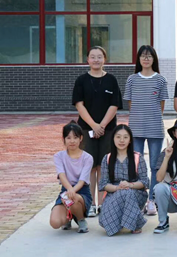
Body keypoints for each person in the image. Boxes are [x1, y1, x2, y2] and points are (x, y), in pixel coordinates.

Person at [72, 46, 123, 218]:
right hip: (86, 130)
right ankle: (91, 203)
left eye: (99, 57)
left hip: (108, 130)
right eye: (92, 57)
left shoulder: (111, 80)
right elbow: (79, 105)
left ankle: (102, 203)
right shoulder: (81, 80)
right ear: (87, 60)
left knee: (103, 166)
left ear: (104, 59)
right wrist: (94, 125)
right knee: (90, 167)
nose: (96, 60)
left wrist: (101, 125)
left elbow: (114, 105)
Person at [124, 45, 168, 216]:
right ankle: (139, 199)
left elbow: (161, 105)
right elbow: (130, 104)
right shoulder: (132, 79)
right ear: (139, 59)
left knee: (155, 164)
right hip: (135, 128)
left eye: (149, 56)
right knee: (137, 164)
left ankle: (152, 200)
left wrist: (151, 117)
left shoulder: (160, 80)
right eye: (143, 56)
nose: (146, 59)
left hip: (155, 127)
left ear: (154, 59)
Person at [98, 124, 149, 236]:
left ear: (130, 140)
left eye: (125, 137)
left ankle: (136, 223)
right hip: (113, 193)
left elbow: (144, 182)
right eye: (118, 137)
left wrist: (130, 185)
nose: (122, 140)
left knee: (127, 193)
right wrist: (118, 187)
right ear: (113, 139)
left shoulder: (137, 157)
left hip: (136, 193)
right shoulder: (107, 158)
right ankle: (135, 221)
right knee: (103, 221)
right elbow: (103, 184)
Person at [50, 121, 93, 233]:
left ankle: (81, 219)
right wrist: (69, 189)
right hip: (66, 190)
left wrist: (72, 191)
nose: (72, 141)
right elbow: (61, 175)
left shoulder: (87, 158)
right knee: (55, 223)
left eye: (75, 137)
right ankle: (68, 217)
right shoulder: (59, 156)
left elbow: (82, 180)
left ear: (81, 138)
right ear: (63, 139)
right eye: (68, 138)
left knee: (73, 199)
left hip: (82, 192)